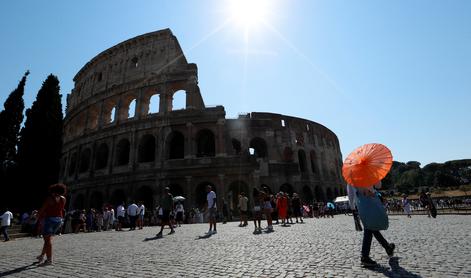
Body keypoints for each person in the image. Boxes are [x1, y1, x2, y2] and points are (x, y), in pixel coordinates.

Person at [347, 182, 395, 267]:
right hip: (372, 201)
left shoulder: (352, 173)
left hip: (361, 203)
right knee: (369, 228)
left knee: (371, 227)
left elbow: (350, 192)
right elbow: (378, 186)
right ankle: (365, 256)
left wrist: (352, 207)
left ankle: (387, 247)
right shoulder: (369, 170)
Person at [36, 183, 67, 265]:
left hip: (50, 220)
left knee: (47, 240)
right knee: (48, 240)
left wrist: (36, 217)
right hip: (59, 220)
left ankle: (49, 260)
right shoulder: (63, 198)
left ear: (53, 191)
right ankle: (42, 256)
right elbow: (61, 209)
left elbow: (42, 209)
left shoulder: (50, 198)